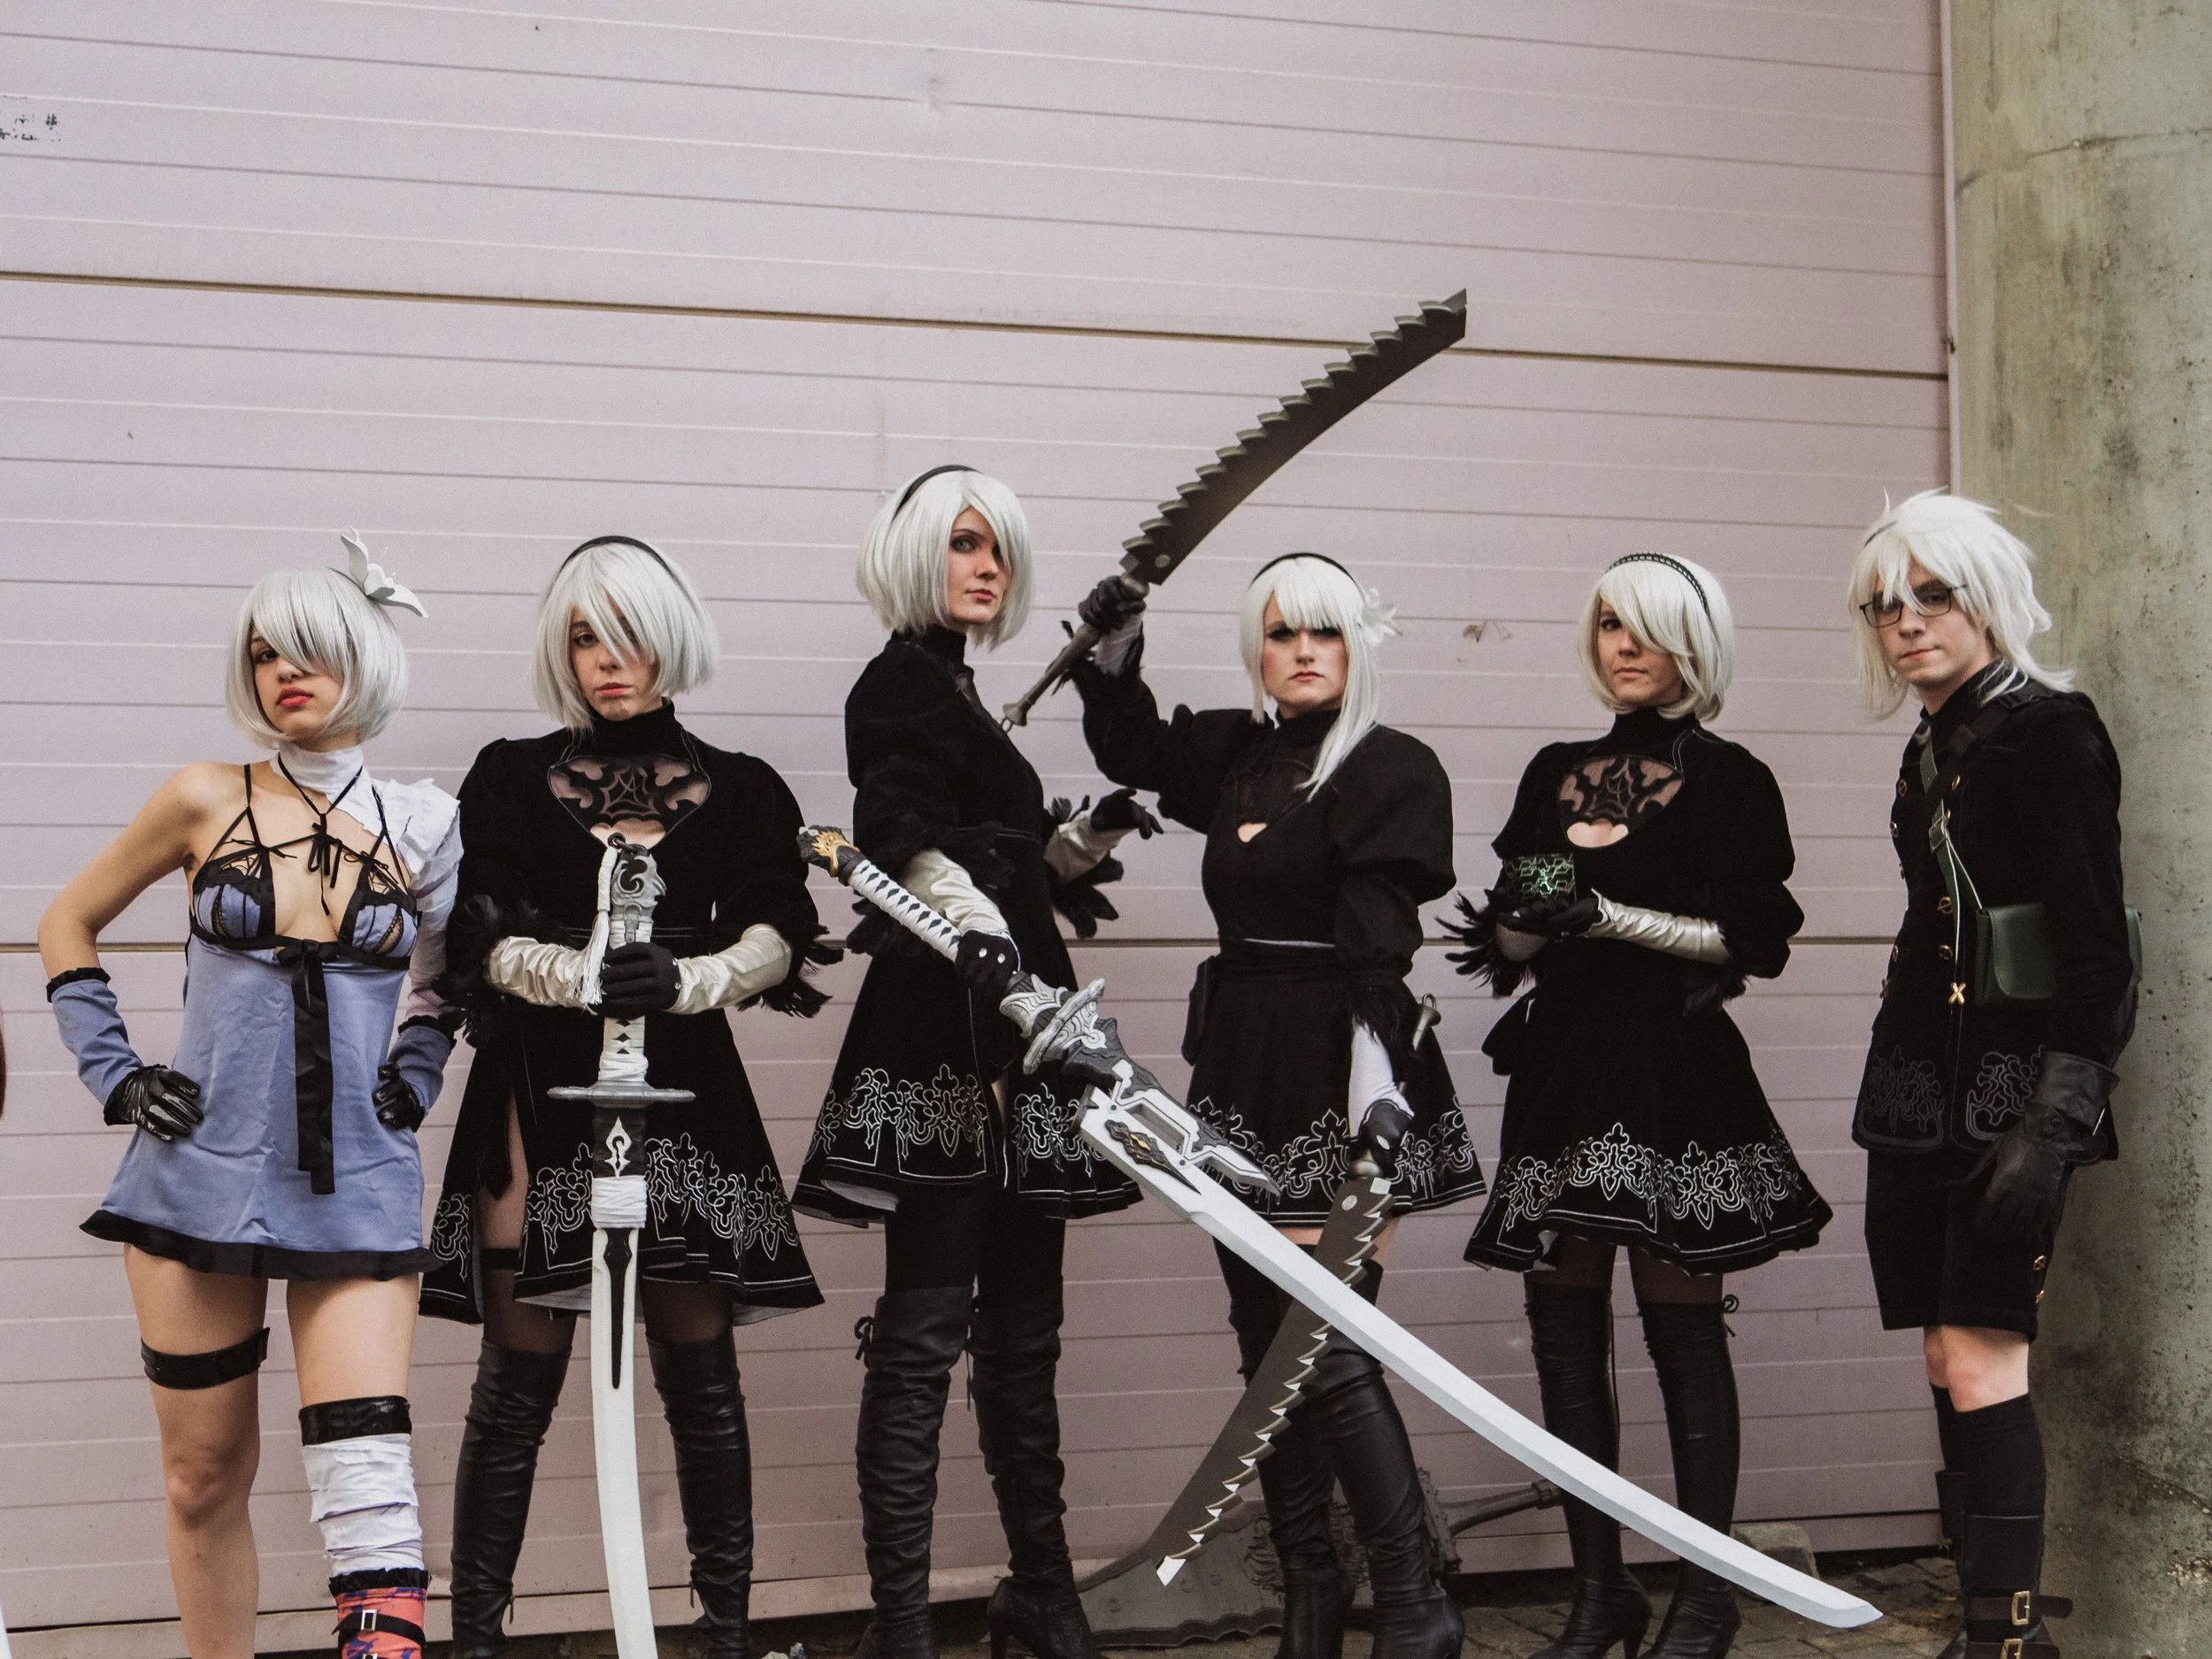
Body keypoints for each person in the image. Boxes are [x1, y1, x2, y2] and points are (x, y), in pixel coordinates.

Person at [41, 553, 460, 1659]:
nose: (283, 671)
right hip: (197, 1175)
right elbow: (66, 921)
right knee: (200, 1475)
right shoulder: (202, 797)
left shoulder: (425, 825)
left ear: (364, 657)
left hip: (355, 1180)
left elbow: (443, 980)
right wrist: (116, 1074)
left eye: (307, 649)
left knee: (366, 1479)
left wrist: (415, 1076)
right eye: (265, 653)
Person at [422, 537, 833, 1659]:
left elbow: (779, 925)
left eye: (630, 634)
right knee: (516, 1379)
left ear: (671, 639)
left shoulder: (743, 786)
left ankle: (725, 1636)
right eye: (585, 636)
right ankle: (477, 1643)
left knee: (701, 1379)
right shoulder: (508, 777)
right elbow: (474, 933)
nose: (609, 659)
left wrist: (695, 978)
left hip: (687, 1090)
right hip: (537, 1083)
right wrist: (572, 974)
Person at [1071, 552, 1482, 1659]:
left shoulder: (1392, 767)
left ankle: (1414, 1600)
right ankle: (1311, 1597)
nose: (1303, 652)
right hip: (1242, 1059)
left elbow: (1379, 957)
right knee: (1264, 1343)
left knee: (1321, 1342)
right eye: (1282, 633)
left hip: (1339, 1062)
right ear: (1256, 647)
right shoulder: (1237, 756)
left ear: (1356, 645)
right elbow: (1135, 748)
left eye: (1325, 632)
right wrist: (1114, 645)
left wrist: (1372, 1098)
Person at [1444, 553, 1830, 1659]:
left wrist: (1609, 918)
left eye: (1649, 628)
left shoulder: (1731, 780)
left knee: (1681, 1326)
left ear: (1693, 644)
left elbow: (1752, 940)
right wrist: (1526, 918)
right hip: (1565, 1066)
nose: (1625, 645)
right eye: (1611, 623)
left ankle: (1705, 1597)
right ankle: (1599, 1593)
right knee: (1563, 1327)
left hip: (1672, 1068)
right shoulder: (1553, 771)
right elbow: (1510, 946)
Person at [794, 466, 1148, 1659]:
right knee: (927, 1328)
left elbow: (998, 855)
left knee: (1022, 1331)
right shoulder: (898, 683)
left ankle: (1042, 1597)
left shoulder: (956, 690)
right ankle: (904, 1627)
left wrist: (1080, 838)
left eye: (998, 547)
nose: (986, 564)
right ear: (913, 553)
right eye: (962, 542)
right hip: (953, 1021)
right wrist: (986, 938)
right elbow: (900, 837)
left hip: (1023, 1017)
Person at [1847, 493, 2131, 1659]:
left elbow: (2097, 946)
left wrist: (2056, 1120)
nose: (1906, 622)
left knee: (1981, 1355)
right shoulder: (1931, 741)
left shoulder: (2050, 731)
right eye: (1884, 605)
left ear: (1988, 598)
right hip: (1918, 1098)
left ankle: (2003, 1640)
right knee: (1941, 1356)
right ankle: (1990, 1628)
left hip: (2011, 1099)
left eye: (1932, 596)